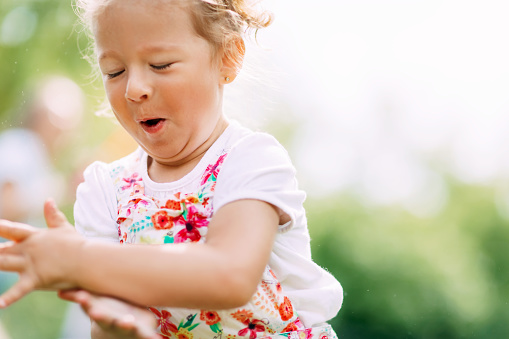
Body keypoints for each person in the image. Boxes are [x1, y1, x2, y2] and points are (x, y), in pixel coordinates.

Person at [0, 0, 343, 338]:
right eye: (115, 72)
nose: (134, 88)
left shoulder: (250, 159)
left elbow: (230, 275)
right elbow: (109, 318)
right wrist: (119, 326)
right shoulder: (104, 190)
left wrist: (78, 259)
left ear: (228, 57)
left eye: (161, 64)